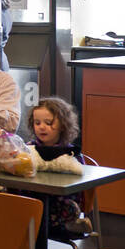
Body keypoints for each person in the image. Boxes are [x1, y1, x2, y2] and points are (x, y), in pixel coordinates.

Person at [28, 96, 92, 237]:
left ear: (63, 125)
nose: (42, 127)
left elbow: (80, 184)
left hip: (59, 204)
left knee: (65, 206)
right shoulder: (30, 148)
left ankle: (73, 224)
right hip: (32, 203)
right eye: (37, 123)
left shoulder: (70, 153)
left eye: (48, 123)